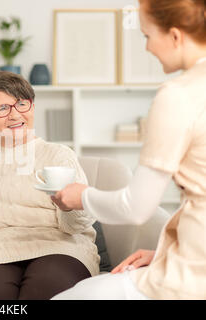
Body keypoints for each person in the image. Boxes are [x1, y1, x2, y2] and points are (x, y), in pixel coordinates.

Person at [52, 0, 206, 300]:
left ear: (175, 36)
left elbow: (136, 207)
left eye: (147, 36)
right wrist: (164, 254)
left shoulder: (179, 95)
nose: (147, 48)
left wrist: (80, 196)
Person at [0, 71, 100, 300]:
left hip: (59, 247)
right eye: (2, 109)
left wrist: (69, 206)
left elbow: (77, 225)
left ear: (32, 108)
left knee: (47, 288)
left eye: (21, 104)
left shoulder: (57, 155)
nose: (14, 115)